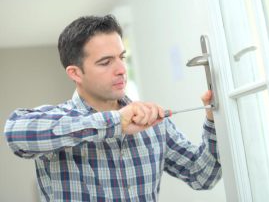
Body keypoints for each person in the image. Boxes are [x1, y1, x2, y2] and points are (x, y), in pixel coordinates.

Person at [4, 15, 221, 202]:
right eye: (105, 62)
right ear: (75, 73)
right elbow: (15, 134)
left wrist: (213, 120)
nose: (121, 69)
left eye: (121, 57)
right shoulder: (60, 120)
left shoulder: (153, 124)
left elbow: (202, 176)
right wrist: (116, 122)